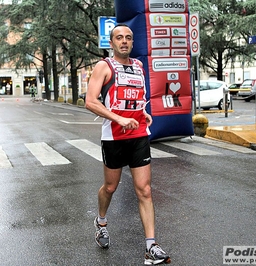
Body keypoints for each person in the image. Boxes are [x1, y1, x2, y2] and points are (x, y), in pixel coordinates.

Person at [85, 24, 171, 265]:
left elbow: (136, 97)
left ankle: (151, 247)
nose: (124, 41)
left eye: (128, 38)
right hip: (114, 136)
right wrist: (119, 118)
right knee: (110, 188)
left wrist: (143, 114)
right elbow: (90, 102)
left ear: (132, 43)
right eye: (119, 38)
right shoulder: (104, 66)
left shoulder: (138, 66)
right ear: (111, 43)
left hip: (139, 135)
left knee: (144, 190)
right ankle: (101, 221)